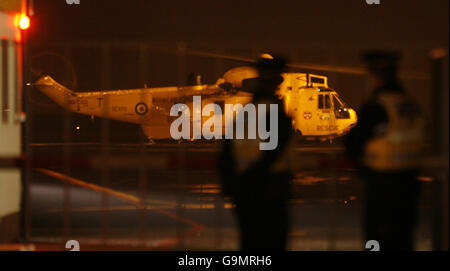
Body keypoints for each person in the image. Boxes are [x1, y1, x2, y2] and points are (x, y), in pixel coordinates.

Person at [345, 51, 425, 250]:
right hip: (408, 183)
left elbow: (354, 143)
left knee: (376, 242)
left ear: (374, 74)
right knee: (403, 239)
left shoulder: (378, 105)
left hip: (382, 185)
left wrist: (359, 165)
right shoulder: (410, 104)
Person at [219, 55, 294, 250]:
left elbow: (226, 152)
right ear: (277, 82)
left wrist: (231, 185)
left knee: (249, 243)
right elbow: (274, 152)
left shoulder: (245, 113)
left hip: (243, 192)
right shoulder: (277, 114)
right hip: (270, 190)